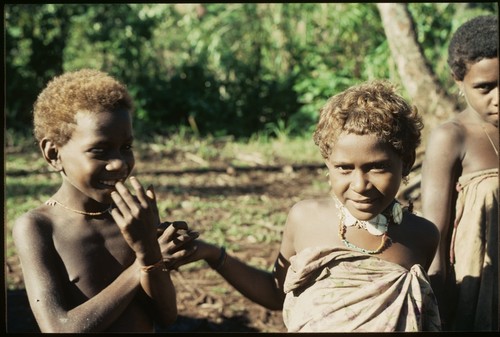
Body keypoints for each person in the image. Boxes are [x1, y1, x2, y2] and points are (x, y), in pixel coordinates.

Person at [178, 80, 441, 332]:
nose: (360, 184)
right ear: (328, 164)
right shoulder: (305, 219)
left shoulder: (422, 236)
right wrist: (212, 254)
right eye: (344, 168)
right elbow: (276, 291)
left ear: (406, 162)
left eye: (377, 167)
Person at [12, 69, 198, 333]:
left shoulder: (135, 219)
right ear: (53, 154)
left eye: (127, 148)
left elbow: (165, 315)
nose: (120, 163)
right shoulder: (38, 227)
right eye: (99, 150)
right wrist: (144, 260)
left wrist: (152, 252)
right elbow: (59, 329)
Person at [421, 15, 498, 331]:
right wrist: (437, 306)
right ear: (458, 80)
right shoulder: (452, 137)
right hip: (477, 290)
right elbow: (434, 235)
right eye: (485, 87)